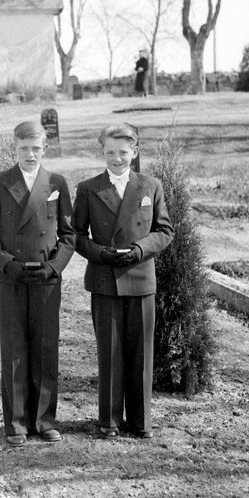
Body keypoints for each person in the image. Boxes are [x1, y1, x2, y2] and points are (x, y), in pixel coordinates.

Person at [72, 124, 174, 439]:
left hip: (141, 278)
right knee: (110, 352)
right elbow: (75, 235)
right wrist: (100, 253)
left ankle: (141, 422)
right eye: (110, 153)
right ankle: (110, 421)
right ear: (102, 153)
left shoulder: (150, 186)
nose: (117, 159)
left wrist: (140, 250)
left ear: (135, 152)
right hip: (105, 280)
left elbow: (165, 231)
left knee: (141, 353)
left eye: (123, 152)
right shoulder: (89, 188)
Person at [0, 120, 75, 447]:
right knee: (14, 348)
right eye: (23, 149)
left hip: (47, 278)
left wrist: (55, 266)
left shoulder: (57, 182)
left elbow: (69, 235)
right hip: (11, 278)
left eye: (36, 148)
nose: (30, 155)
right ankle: (16, 423)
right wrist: (7, 264)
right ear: (15, 148)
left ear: (44, 148)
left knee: (46, 348)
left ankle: (45, 420)